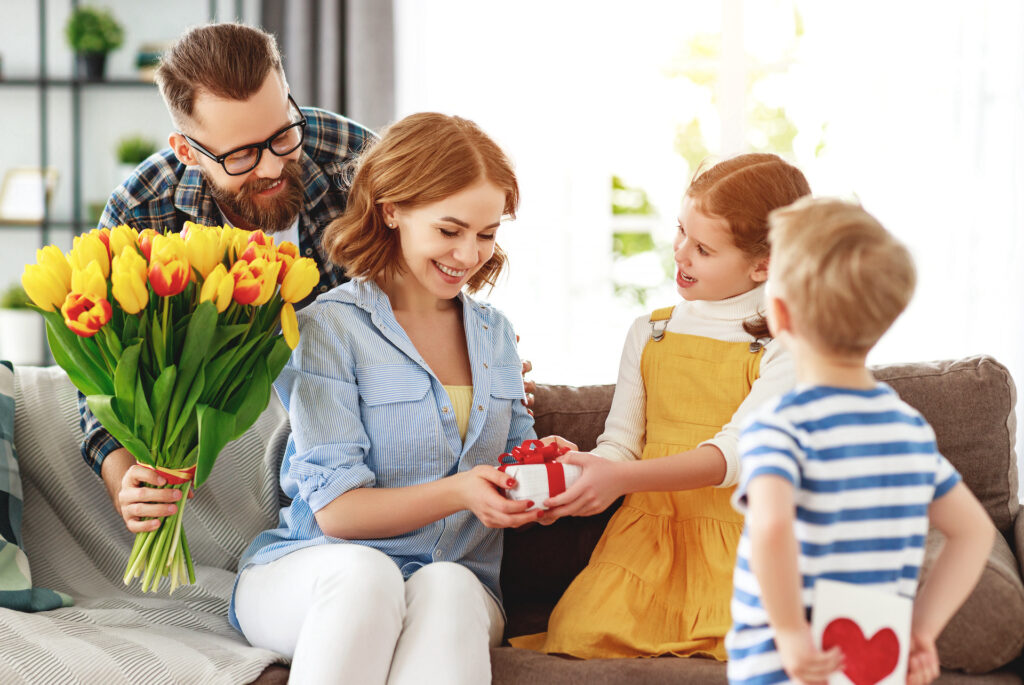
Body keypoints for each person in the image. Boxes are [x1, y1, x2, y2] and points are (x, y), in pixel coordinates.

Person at [76, 23, 534, 536]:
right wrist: (124, 479)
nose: (273, 166)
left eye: (282, 134)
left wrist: (482, 375)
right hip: (225, 443)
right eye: (242, 155)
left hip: (357, 447)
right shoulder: (141, 211)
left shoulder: (352, 157)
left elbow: (433, 281)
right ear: (186, 151)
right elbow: (100, 372)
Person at [231, 112, 555, 684]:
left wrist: (541, 473)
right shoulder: (328, 330)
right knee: (367, 576)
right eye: (450, 230)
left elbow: (512, 464)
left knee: (450, 586)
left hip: (456, 576)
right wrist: (460, 490)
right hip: (315, 572)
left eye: (487, 233)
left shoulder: (496, 335)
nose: (469, 254)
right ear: (392, 210)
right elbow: (337, 513)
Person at [511, 153, 810, 659]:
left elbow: (735, 455)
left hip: (745, 540)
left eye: (704, 249)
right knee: (576, 635)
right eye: (680, 233)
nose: (680, 254)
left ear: (764, 264)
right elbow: (621, 446)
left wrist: (619, 479)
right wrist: (575, 476)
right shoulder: (651, 331)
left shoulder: (789, 345)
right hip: (647, 537)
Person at [726, 197, 994, 685]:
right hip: (874, 665)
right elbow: (974, 533)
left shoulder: (779, 427)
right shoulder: (908, 429)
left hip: (784, 667)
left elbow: (770, 528)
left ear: (779, 316)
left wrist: (790, 633)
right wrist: (922, 630)